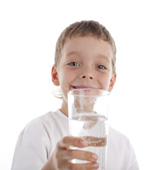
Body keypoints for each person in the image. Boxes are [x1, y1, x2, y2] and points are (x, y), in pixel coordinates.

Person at [11, 20, 139, 170]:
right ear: (55, 75)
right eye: (73, 64)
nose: (87, 74)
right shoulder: (39, 132)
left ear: (111, 82)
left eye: (100, 66)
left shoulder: (123, 147)